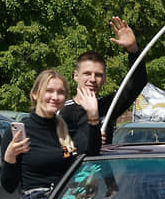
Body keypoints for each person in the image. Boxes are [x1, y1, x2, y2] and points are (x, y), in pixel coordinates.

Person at [60, 16, 149, 152]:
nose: (93, 79)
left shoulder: (108, 106)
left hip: (103, 172)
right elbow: (54, 151)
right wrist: (87, 140)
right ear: (76, 76)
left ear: (105, 79)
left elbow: (138, 82)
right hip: (75, 172)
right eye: (87, 74)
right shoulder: (62, 111)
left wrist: (133, 50)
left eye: (99, 75)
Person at [0, 70, 81, 199]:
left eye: (61, 92)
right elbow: (9, 186)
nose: (55, 97)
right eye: (49, 91)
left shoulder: (67, 131)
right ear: (35, 94)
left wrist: (93, 122)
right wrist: (10, 158)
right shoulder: (19, 133)